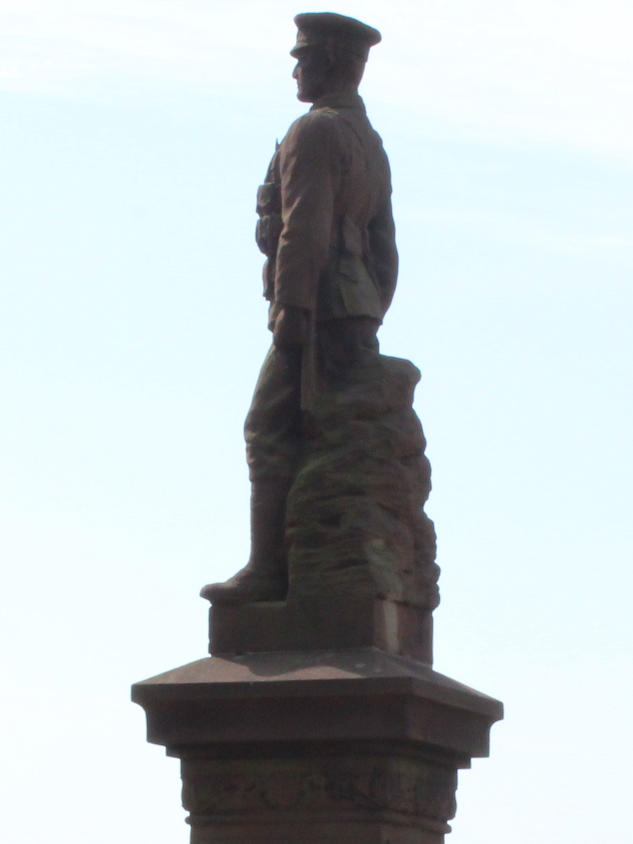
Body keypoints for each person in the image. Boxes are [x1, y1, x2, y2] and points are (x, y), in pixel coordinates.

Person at [201, 12, 399, 605]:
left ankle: (269, 571)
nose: (295, 67)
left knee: (269, 428)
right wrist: (371, 303)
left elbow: (304, 227)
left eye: (304, 57)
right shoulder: (368, 139)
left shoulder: (314, 132)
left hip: (317, 304)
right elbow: (386, 244)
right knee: (320, 435)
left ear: (332, 62)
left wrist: (292, 308)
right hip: (353, 304)